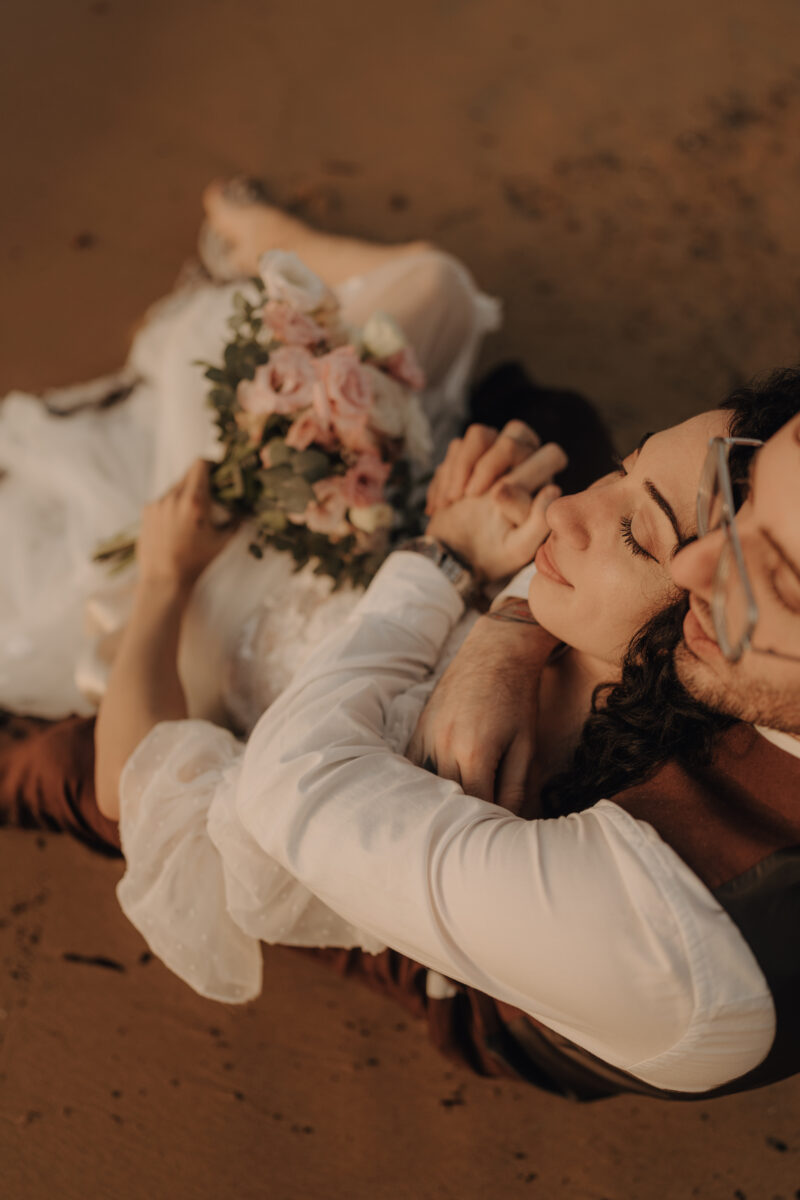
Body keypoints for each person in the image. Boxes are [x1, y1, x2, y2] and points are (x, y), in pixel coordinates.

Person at [6, 372, 788, 1099]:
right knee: (541, 424)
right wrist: (505, 625)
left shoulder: (668, 925)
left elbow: (288, 789)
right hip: (412, 659)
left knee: (64, 774)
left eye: (776, 576)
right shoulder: (707, 627)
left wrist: (166, 579)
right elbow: (670, 545)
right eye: (621, 469)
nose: (708, 579)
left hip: (457, 943)